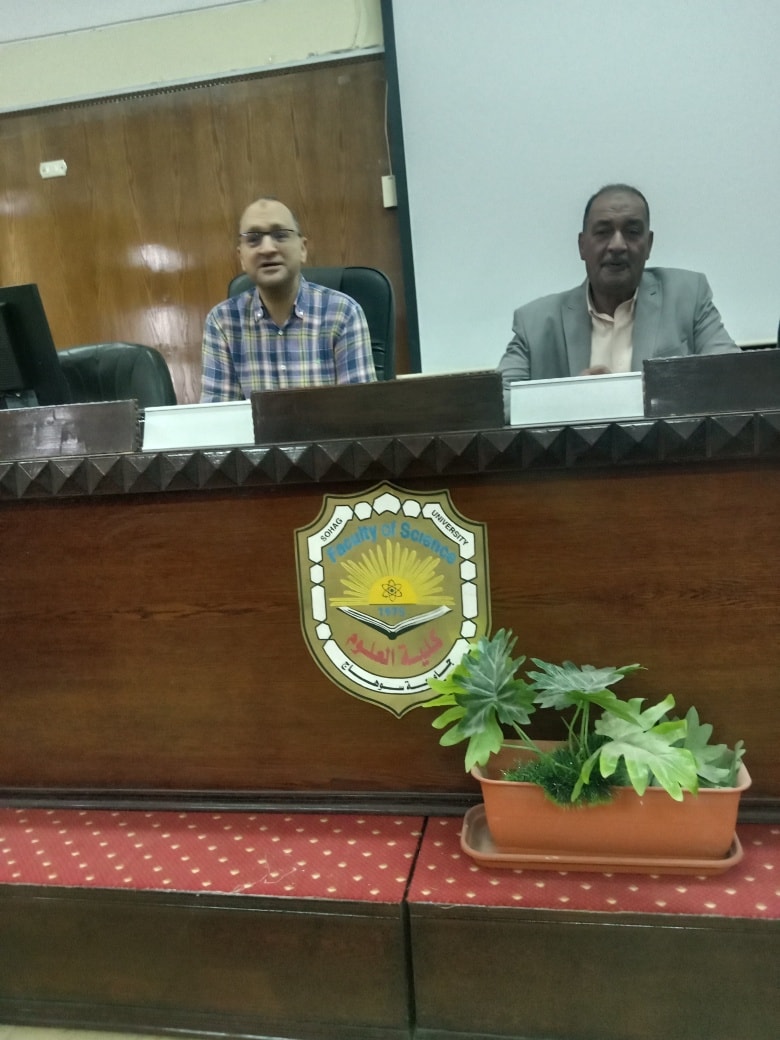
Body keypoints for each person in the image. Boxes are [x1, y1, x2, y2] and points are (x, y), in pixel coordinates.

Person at [498, 184, 738, 407]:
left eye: (632, 232)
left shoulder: (687, 296)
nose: (617, 245)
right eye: (603, 232)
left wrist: (647, 392)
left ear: (649, 244)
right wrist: (570, 395)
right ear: (582, 246)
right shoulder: (536, 323)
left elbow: (734, 376)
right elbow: (496, 404)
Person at [201, 197, 376, 401]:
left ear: (302, 249)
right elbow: (219, 416)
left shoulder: (343, 313)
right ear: (241, 257)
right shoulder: (222, 322)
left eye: (280, 235)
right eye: (253, 239)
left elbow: (361, 411)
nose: (267, 248)